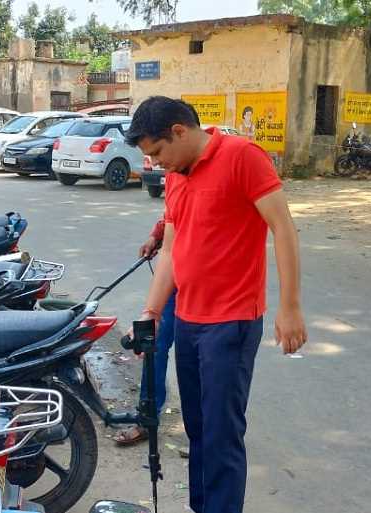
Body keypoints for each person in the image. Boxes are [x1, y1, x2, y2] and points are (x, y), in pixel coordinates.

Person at [125, 96, 306, 513]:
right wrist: (151, 312)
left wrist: (290, 307)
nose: (154, 163)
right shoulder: (176, 176)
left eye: (157, 152)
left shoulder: (244, 157)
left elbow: (283, 228)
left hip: (231, 322)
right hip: (187, 319)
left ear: (179, 132)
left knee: (222, 436)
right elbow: (171, 249)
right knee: (198, 429)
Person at [112, 218, 177, 446]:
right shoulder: (176, 182)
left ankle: (208, 429)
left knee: (204, 359)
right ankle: (147, 420)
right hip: (175, 277)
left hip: (205, 285)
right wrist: (157, 234)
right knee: (154, 346)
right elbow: (173, 210)